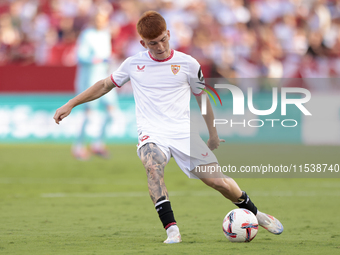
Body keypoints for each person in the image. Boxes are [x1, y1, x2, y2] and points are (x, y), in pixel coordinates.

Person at [54, 11, 283, 243]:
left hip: (183, 133)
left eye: (164, 39)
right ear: (143, 43)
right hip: (152, 132)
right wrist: (71, 103)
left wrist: (213, 135)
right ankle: (172, 230)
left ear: (169, 34)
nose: (160, 46)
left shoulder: (188, 64)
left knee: (218, 182)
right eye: (153, 43)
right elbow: (104, 85)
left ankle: (257, 214)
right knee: (152, 165)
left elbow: (202, 99)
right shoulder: (133, 64)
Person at [73, 11, 119, 160]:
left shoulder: (106, 34)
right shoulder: (87, 35)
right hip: (90, 80)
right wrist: (98, 59)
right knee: (89, 115)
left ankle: (97, 144)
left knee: (112, 113)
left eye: (103, 19)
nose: (101, 22)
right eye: (98, 19)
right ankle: (78, 147)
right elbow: (81, 56)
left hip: (105, 79)